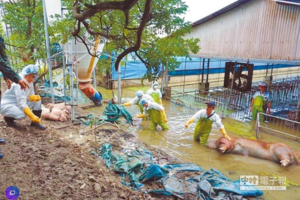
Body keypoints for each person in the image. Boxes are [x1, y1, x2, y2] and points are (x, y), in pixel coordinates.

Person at [0, 64, 47, 130]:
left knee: (37, 101)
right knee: (23, 114)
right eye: (33, 76)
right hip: (7, 106)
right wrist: (31, 115)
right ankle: (8, 118)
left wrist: (33, 97)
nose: (34, 78)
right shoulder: (19, 84)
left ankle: (35, 123)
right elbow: (22, 103)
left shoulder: (29, 81)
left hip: (17, 103)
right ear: (29, 74)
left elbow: (30, 94)